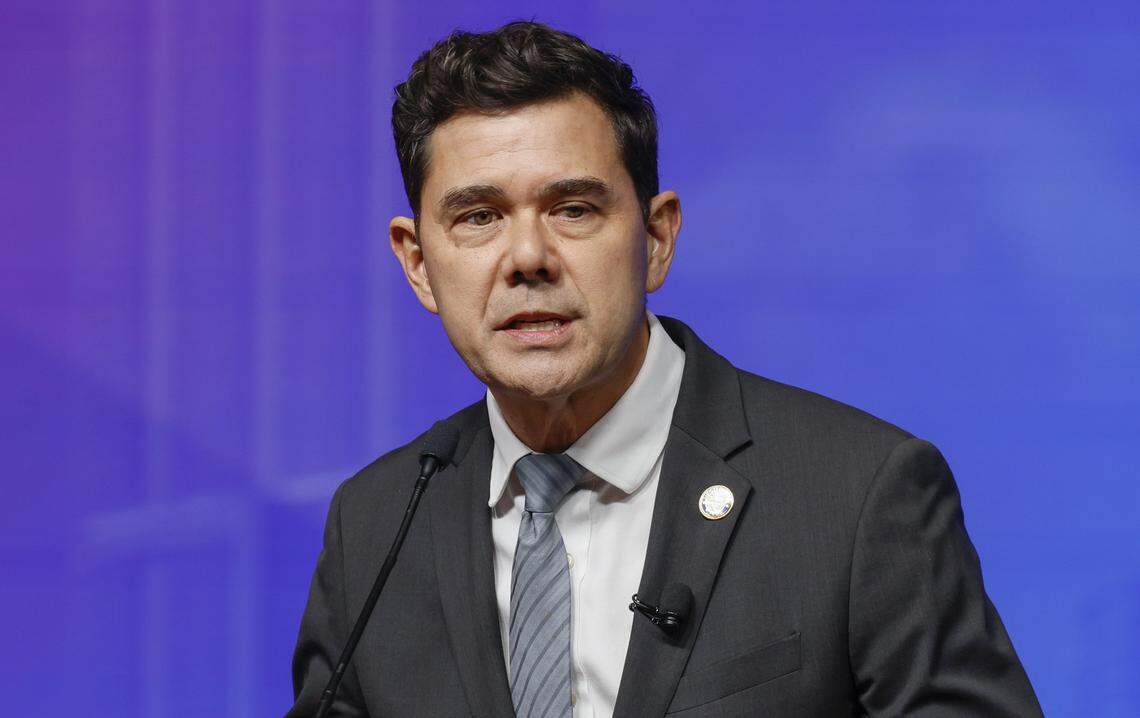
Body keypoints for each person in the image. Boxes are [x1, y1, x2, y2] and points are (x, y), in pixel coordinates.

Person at [287, 21, 1041, 717]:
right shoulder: (376, 523)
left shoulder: (859, 496)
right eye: (478, 217)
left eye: (573, 208)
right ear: (418, 265)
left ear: (655, 238)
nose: (527, 259)